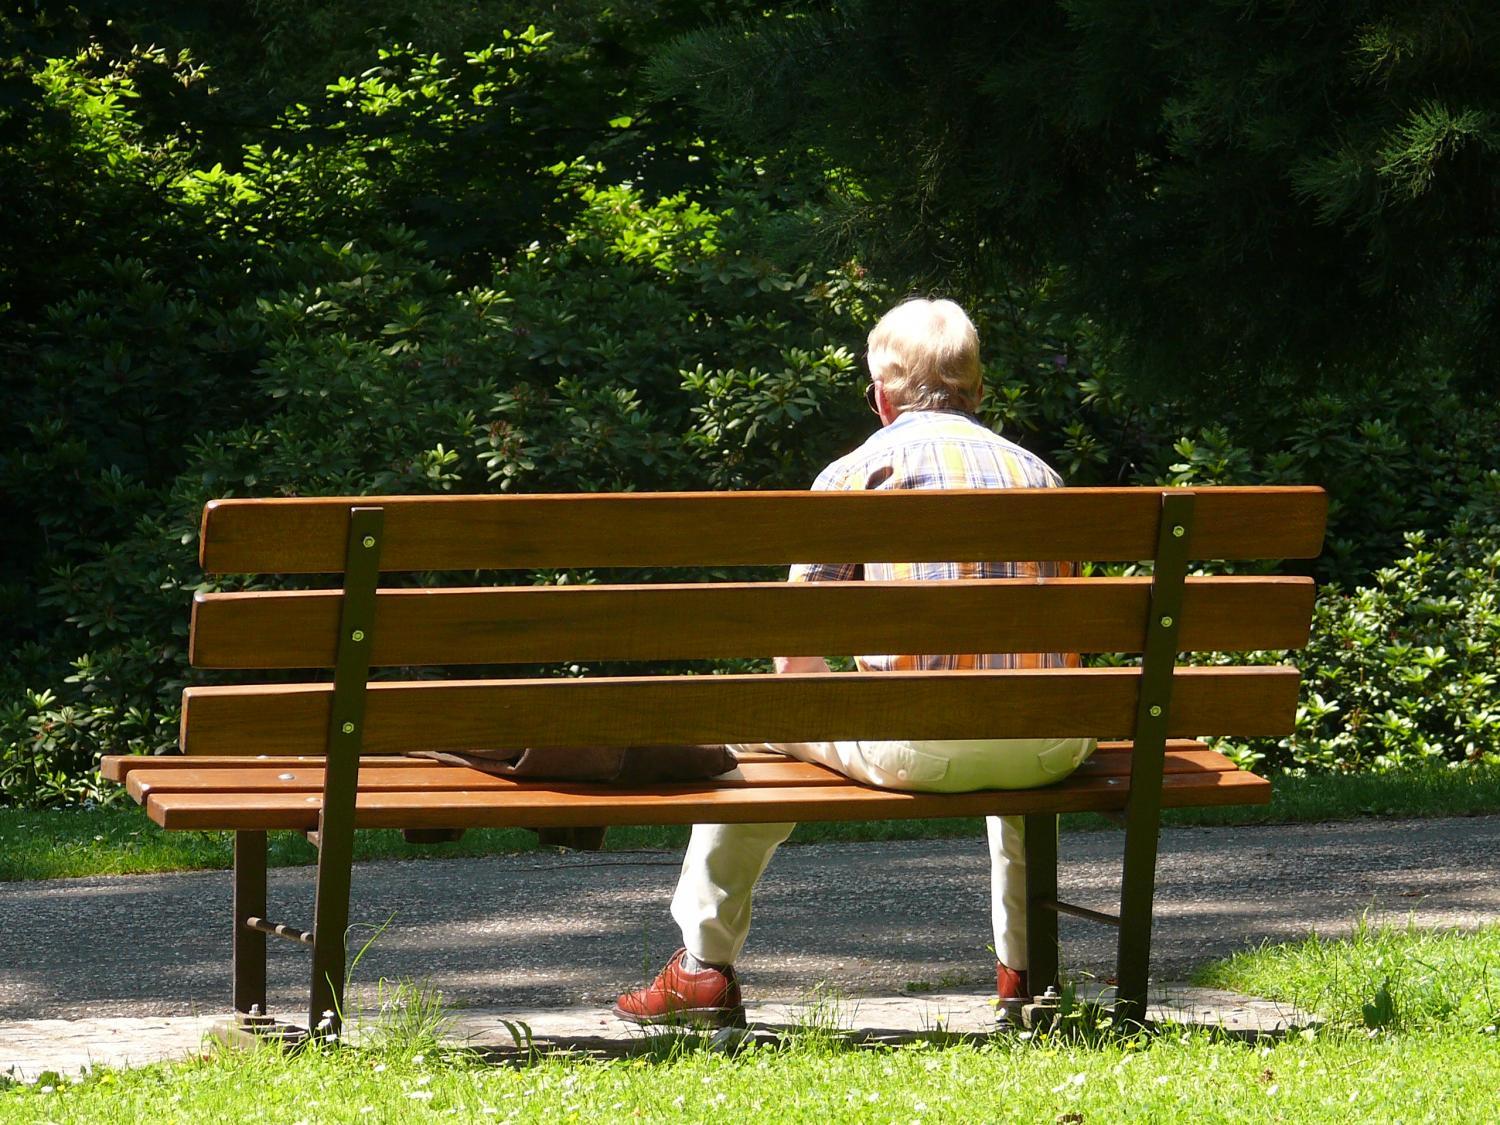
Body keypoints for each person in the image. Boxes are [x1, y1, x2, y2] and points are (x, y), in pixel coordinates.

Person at [614, 297, 1095, 1028]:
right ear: (978, 390)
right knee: (1011, 708)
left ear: (881, 394)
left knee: (755, 726)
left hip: (918, 749)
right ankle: (1023, 972)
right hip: (1051, 746)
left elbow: (798, 660)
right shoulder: (1042, 478)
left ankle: (702, 968)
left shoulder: (859, 471)